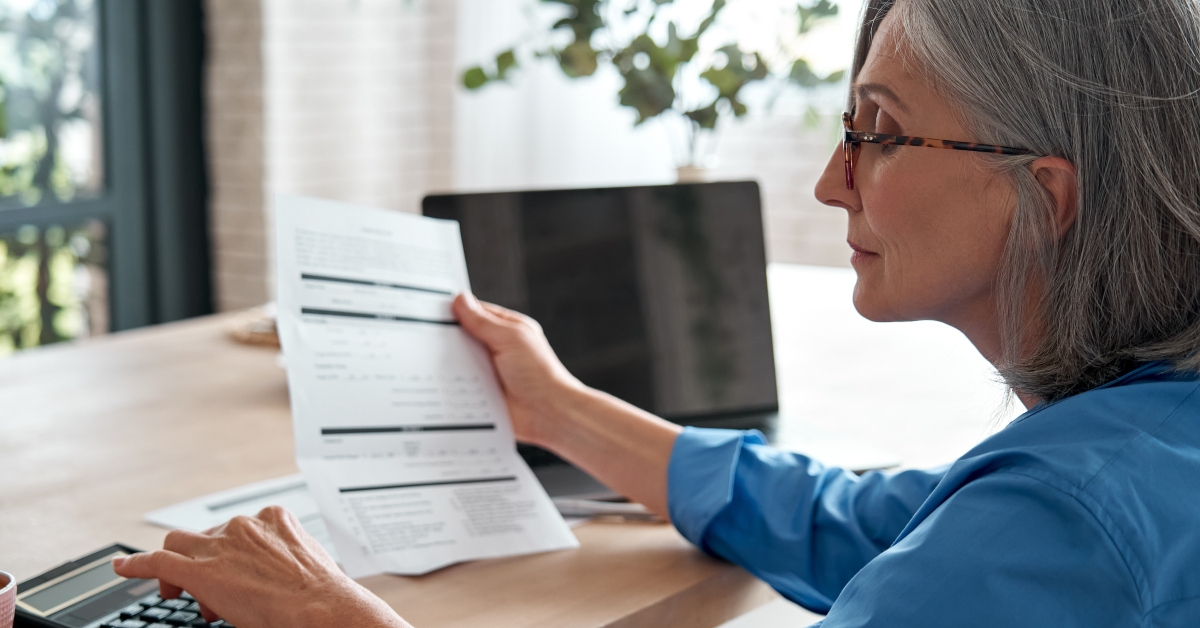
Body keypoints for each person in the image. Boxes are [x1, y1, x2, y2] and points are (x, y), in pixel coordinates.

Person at [113, 0, 1200, 625]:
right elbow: (857, 522)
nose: (831, 181)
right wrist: (560, 408)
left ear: (1042, 197)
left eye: (879, 131)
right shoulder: (1131, 449)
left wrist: (335, 616)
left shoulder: (1058, 525)